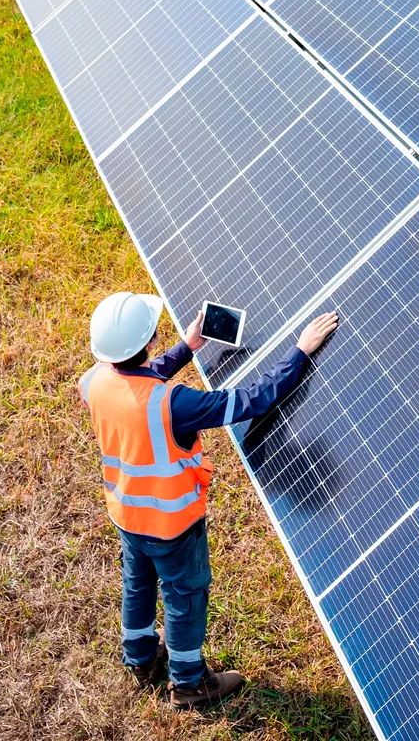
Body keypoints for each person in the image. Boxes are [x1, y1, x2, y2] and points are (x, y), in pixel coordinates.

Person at [79, 292, 339, 710]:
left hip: (125, 515)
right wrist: (300, 351)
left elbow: (134, 382)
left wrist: (188, 347)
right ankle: (187, 682)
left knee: (138, 584)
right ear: (147, 340)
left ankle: (141, 657)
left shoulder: (91, 382)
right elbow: (252, 399)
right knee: (185, 598)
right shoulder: (173, 404)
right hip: (172, 528)